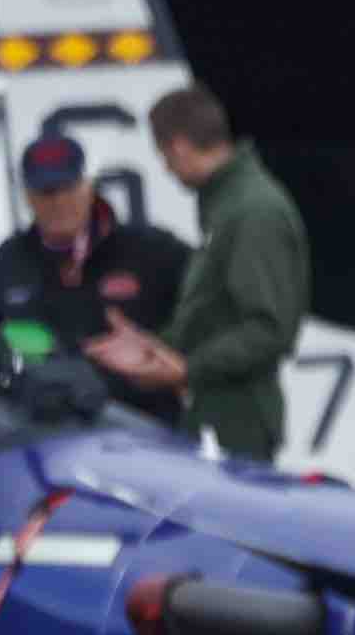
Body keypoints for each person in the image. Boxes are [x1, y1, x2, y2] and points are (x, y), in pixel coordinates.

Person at [97, 87, 307, 459]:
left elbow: (268, 328)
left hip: (237, 426)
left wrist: (187, 369)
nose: (166, 168)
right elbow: (214, 311)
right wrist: (154, 348)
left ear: (178, 146)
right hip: (217, 418)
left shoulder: (253, 211)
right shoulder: (228, 204)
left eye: (164, 156)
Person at [0, 131, 196, 422]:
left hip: (145, 433)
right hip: (49, 437)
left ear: (88, 186)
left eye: (68, 187)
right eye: (47, 192)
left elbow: (215, 305)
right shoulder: (12, 257)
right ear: (27, 196)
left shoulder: (151, 250)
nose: (59, 202)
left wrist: (180, 362)